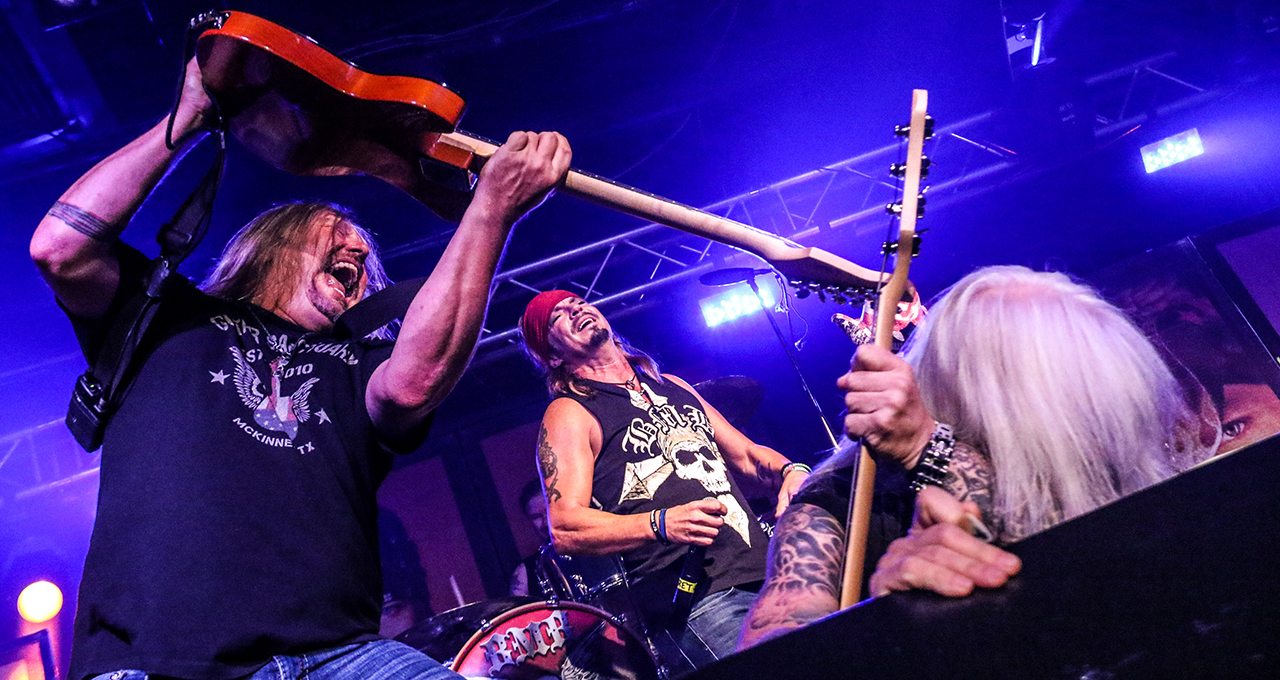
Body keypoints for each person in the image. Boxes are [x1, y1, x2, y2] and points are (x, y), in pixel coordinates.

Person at [29, 57, 570, 680]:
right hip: (152, 662)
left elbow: (417, 379)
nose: (360, 250)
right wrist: (189, 119)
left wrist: (492, 210)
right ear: (272, 244)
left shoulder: (357, 361)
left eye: (366, 255)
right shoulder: (169, 314)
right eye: (336, 233)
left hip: (342, 656)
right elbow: (60, 247)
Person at [739, 265, 1215, 648]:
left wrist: (929, 447)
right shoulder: (838, 501)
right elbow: (773, 657)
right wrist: (887, 631)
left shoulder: (1115, 467)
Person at [517, 290, 810, 664]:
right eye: (557, 316)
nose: (575, 309)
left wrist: (792, 471)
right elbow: (565, 526)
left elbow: (748, 456)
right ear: (552, 355)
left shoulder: (674, 386)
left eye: (577, 302)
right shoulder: (570, 412)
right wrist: (660, 523)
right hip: (699, 603)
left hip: (769, 571)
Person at [508, 479, 552, 597]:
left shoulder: (593, 545)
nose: (546, 522)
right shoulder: (524, 573)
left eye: (548, 511)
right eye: (536, 516)